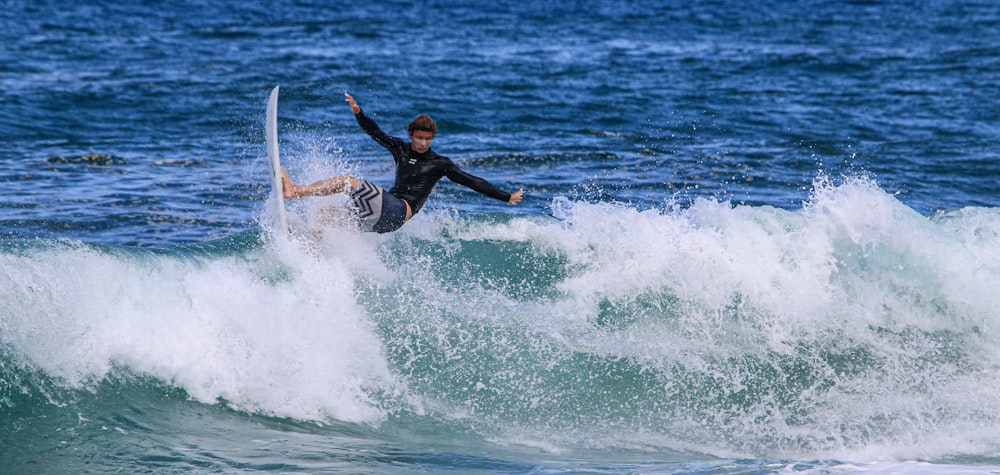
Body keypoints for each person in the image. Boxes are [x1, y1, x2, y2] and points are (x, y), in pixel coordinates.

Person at [281, 93, 524, 233]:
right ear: (411, 135)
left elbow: (472, 181)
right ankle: (313, 254)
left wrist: (506, 197)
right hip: (381, 218)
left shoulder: (440, 163)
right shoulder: (400, 148)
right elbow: (376, 133)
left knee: (347, 181)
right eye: (419, 138)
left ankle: (296, 190)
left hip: (398, 211)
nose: (422, 143)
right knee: (326, 216)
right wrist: (358, 113)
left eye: (427, 139)